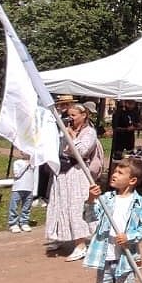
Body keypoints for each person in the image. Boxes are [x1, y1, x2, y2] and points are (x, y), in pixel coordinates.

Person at [46, 103, 106, 262]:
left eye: (74, 115)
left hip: (78, 173)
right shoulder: (64, 129)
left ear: (83, 115)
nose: (70, 118)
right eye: (69, 115)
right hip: (62, 172)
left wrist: (72, 137)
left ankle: (81, 245)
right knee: (59, 204)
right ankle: (58, 235)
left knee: (76, 207)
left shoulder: (89, 132)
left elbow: (82, 151)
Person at [8, 150, 37, 233]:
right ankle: (13, 223)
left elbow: (35, 175)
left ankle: (24, 222)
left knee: (26, 207)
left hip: (29, 188)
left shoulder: (33, 163)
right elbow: (17, 174)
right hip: (18, 188)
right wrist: (26, 165)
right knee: (14, 206)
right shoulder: (17, 162)